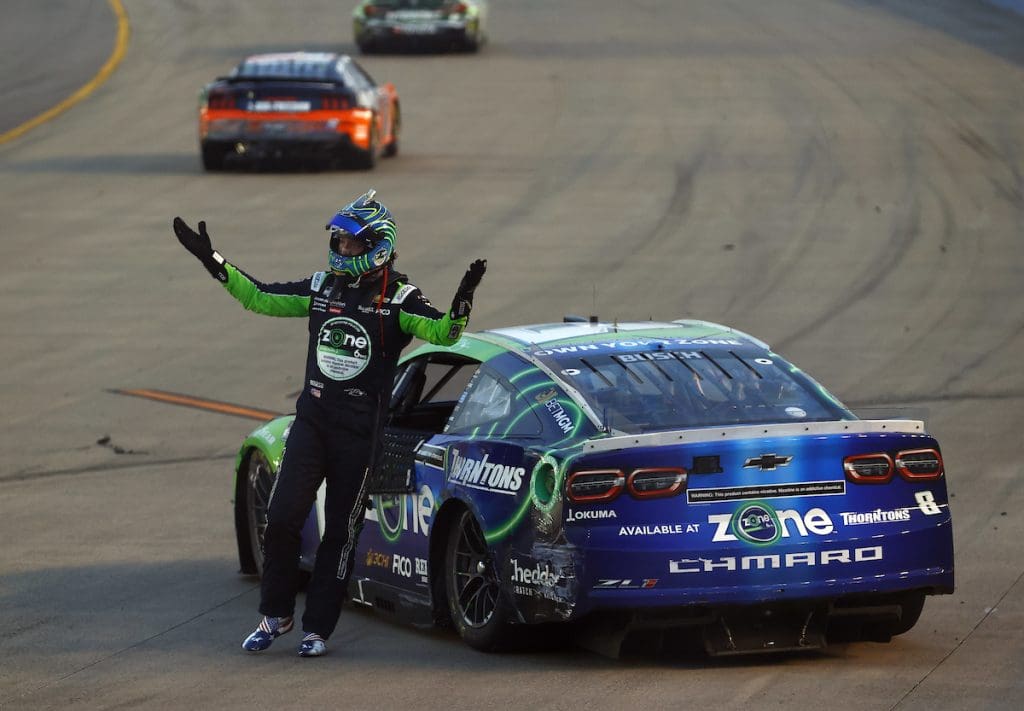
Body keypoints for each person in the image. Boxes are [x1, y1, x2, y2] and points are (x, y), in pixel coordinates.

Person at [171, 190, 486, 657]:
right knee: (280, 521)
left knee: (340, 533)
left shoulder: (400, 299)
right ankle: (274, 616)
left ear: (378, 246)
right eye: (337, 242)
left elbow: (442, 333)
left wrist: (461, 303)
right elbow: (260, 297)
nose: (341, 251)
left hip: (359, 437)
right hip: (312, 425)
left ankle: (317, 629)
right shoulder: (322, 288)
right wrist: (215, 263)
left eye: (350, 244)